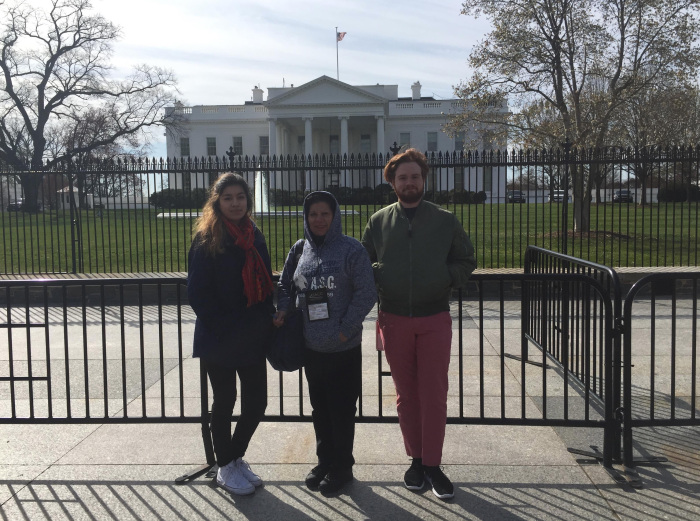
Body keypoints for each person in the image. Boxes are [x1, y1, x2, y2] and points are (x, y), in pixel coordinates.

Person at [361, 148, 477, 500]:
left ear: (423, 179)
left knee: (434, 394)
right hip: (394, 319)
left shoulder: (445, 220)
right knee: (406, 396)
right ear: (392, 182)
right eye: (402, 177)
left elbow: (466, 260)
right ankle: (415, 459)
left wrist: (444, 278)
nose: (409, 182)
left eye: (415, 176)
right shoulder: (378, 221)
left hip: (434, 318)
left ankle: (433, 464)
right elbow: (364, 263)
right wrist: (381, 275)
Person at [275, 191, 376, 495]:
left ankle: (342, 467)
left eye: (325, 214)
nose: (318, 219)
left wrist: (346, 329)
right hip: (312, 347)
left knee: (342, 410)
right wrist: (282, 308)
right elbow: (285, 285)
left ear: (335, 216)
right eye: (313, 214)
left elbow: (366, 293)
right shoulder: (299, 250)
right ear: (306, 218)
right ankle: (325, 461)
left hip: (343, 348)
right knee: (320, 409)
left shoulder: (351, 249)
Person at [187, 173, 274, 496]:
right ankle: (226, 465)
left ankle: (233, 456)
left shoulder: (254, 235)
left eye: (240, 197)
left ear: (248, 201)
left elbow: (264, 283)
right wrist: (227, 326)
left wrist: (267, 317)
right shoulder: (207, 238)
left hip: (251, 334)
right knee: (224, 401)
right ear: (218, 202)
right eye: (228, 198)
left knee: (257, 402)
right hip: (219, 335)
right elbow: (198, 293)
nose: (235, 203)